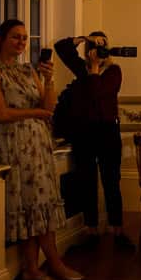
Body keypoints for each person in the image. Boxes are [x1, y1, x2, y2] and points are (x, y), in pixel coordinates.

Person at [0, 20, 83, 280]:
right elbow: (0, 113)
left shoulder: (28, 70)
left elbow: (48, 106)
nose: (21, 42)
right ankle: (51, 264)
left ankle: (32, 268)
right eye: (15, 37)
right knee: (29, 205)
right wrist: (35, 113)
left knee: (40, 205)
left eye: (24, 38)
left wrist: (49, 80)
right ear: (0, 38)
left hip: (38, 144)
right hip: (14, 145)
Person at [54, 32, 128, 248]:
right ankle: (91, 230)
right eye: (94, 46)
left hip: (107, 131)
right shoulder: (82, 68)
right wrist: (83, 39)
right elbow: (61, 47)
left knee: (111, 181)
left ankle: (117, 229)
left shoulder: (114, 72)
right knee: (87, 181)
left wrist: (94, 68)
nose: (97, 48)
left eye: (102, 44)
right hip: (84, 131)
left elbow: (97, 92)